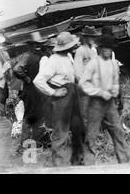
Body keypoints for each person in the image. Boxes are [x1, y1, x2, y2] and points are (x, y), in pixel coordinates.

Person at [33, 31, 85, 166]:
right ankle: (59, 165)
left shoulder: (68, 57)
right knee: (60, 133)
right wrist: (53, 92)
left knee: (78, 128)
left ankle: (78, 163)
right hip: (62, 97)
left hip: (73, 94)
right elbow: (38, 80)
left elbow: (75, 75)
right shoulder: (53, 60)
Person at [80, 34, 130, 164]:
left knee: (118, 130)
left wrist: (114, 90)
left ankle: (124, 162)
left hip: (110, 104)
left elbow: (115, 81)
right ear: (100, 49)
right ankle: (89, 165)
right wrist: (100, 92)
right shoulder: (93, 64)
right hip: (96, 103)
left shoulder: (113, 64)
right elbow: (83, 84)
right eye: (105, 48)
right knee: (92, 135)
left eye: (110, 48)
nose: (108, 51)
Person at [12, 32, 50, 147]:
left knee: (38, 115)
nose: (38, 46)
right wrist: (27, 79)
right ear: (30, 45)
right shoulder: (27, 55)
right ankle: (24, 145)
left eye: (40, 44)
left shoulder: (41, 56)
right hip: (30, 90)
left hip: (38, 90)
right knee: (29, 117)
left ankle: (37, 143)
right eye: (35, 44)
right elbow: (17, 69)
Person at [74, 26, 100, 126]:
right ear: (85, 38)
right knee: (85, 113)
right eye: (91, 37)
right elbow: (77, 72)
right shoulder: (80, 50)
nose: (93, 39)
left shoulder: (94, 50)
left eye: (94, 37)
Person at [0, 27, 11, 117]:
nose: (0, 46)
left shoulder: (1, 55)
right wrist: (3, 70)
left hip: (3, 87)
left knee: (3, 112)